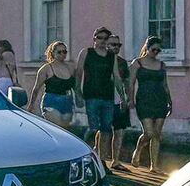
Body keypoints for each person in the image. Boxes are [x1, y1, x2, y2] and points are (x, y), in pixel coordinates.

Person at [130, 36, 172, 173]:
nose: (156, 52)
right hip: (144, 100)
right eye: (154, 49)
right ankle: (138, 150)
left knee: (157, 134)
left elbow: (165, 85)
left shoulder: (161, 65)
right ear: (147, 48)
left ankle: (154, 166)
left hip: (160, 100)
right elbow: (131, 83)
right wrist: (130, 99)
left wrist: (170, 101)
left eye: (158, 50)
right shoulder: (137, 63)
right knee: (148, 132)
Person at [76, 26, 116, 162]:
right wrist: (78, 92)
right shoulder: (87, 53)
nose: (102, 41)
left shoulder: (111, 56)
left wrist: (123, 96)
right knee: (93, 128)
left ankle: (102, 159)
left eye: (105, 38)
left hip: (108, 96)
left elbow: (116, 76)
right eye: (100, 38)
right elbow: (79, 73)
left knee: (106, 129)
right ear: (94, 38)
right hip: (91, 95)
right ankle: (83, 150)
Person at [28, 41, 75, 129]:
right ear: (53, 53)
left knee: (66, 129)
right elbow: (36, 88)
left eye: (64, 52)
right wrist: (31, 106)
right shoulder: (46, 69)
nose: (62, 54)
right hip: (51, 101)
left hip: (66, 100)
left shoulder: (70, 68)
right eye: (59, 52)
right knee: (58, 127)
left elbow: (75, 86)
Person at [107, 35, 131, 170]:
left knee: (119, 130)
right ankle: (101, 156)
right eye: (112, 44)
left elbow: (126, 81)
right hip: (105, 99)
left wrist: (127, 97)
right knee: (104, 130)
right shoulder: (101, 61)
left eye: (118, 45)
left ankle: (115, 160)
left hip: (119, 99)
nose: (116, 47)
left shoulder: (122, 62)